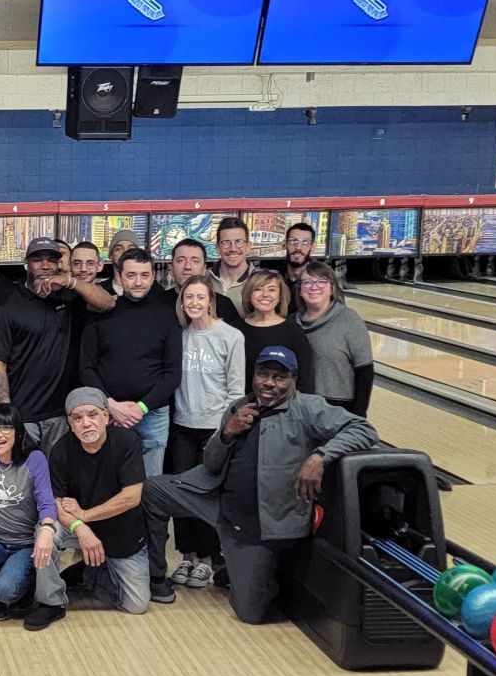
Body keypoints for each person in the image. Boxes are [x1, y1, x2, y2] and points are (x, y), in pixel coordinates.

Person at [140, 347, 379, 623]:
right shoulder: (240, 407)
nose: (269, 383)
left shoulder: (308, 408)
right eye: (263, 374)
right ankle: (156, 576)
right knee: (151, 491)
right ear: (253, 375)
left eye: (279, 377)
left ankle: (248, 569)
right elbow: (211, 464)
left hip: (257, 526)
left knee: (250, 613)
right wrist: (227, 432)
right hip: (216, 502)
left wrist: (320, 457)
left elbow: (364, 430)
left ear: (294, 379)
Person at [0, 237, 115, 452]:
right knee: (24, 471)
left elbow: (108, 303)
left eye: (51, 260)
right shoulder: (6, 306)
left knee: (57, 471)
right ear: (26, 263)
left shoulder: (68, 297)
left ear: (59, 264)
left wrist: (70, 282)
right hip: (23, 413)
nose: (45, 266)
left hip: (60, 414)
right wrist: (6, 410)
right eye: (37, 260)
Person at [45, 387, 150, 625]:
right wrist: (80, 527)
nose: (86, 423)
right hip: (80, 529)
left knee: (136, 605)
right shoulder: (61, 450)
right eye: (77, 417)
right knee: (47, 532)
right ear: (70, 423)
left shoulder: (127, 442)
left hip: (121, 530)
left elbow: (132, 497)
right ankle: (50, 599)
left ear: (106, 416)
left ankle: (88, 572)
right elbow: (56, 503)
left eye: (92, 414)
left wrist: (85, 515)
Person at [167, 275, 245, 592]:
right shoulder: (179, 336)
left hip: (214, 429)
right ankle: (187, 555)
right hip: (182, 426)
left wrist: (224, 431)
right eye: (189, 297)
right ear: (182, 302)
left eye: (201, 297)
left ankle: (208, 559)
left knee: (208, 495)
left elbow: (236, 390)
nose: (195, 303)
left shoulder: (231, 337)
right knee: (183, 492)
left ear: (211, 301)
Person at [78, 248, 180, 480]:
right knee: (107, 482)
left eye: (144, 275)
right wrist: (110, 405)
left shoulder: (166, 315)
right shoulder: (102, 312)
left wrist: (140, 408)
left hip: (153, 415)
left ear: (153, 277)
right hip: (108, 414)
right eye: (131, 275)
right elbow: (86, 367)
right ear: (120, 276)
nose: (138, 282)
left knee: (151, 487)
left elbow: (172, 374)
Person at [0, 403, 61, 623]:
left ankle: (23, 586)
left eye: (6, 428)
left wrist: (46, 529)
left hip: (25, 544)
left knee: (5, 590)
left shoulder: (34, 459)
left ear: (18, 431)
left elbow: (47, 502)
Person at [297, 261, 374, 416]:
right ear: (299, 290)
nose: (314, 287)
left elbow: (365, 371)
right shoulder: (292, 323)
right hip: (299, 407)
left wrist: (358, 416)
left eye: (322, 281)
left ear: (332, 288)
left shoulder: (349, 319)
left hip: (339, 409)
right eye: (307, 282)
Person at [239, 270, 314, 395]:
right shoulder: (234, 330)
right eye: (258, 289)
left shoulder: (293, 331)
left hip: (282, 404)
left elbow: (305, 378)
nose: (265, 294)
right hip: (241, 403)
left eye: (272, 290)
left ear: (280, 296)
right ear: (248, 294)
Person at [166, 239, 243, 327]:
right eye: (180, 260)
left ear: (204, 269)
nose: (187, 267)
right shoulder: (157, 303)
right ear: (171, 268)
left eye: (195, 261)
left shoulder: (223, 305)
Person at [208, 217, 258, 308]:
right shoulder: (204, 279)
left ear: (248, 246)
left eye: (239, 242)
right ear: (218, 248)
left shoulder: (261, 281)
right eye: (226, 242)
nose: (233, 248)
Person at [283, 223, 316, 301]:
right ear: (285, 245)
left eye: (305, 243)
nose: (298, 247)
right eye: (293, 242)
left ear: (313, 247)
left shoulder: (321, 280)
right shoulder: (274, 276)